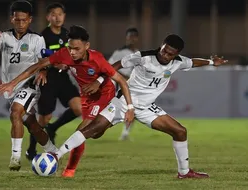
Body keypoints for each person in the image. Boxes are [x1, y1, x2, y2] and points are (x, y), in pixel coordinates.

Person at [49, 34, 228, 178]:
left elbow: (193, 62)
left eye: (169, 54)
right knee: (93, 131)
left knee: (180, 131)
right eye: (164, 51)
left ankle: (184, 172)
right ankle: (56, 155)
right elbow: (116, 65)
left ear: (176, 54)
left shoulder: (178, 62)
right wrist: (99, 80)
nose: (165, 55)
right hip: (122, 102)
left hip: (147, 107)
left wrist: (212, 62)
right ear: (161, 46)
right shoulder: (143, 57)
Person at [0, 25, 135, 177]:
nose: (72, 52)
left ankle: (67, 168)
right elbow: (39, 65)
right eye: (70, 47)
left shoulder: (97, 59)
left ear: (87, 46)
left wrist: (130, 107)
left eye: (77, 49)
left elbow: (121, 81)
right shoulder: (65, 54)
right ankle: (103, 126)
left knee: (82, 132)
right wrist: (12, 83)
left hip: (103, 95)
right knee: (94, 133)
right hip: (86, 97)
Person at [0, 0, 57, 171]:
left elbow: (43, 61)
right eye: (17, 20)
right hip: (10, 89)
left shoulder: (36, 39)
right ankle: (53, 151)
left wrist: (43, 71)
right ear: (12, 19)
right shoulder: (3, 37)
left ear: (30, 19)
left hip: (29, 85)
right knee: (31, 125)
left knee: (15, 112)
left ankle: (15, 158)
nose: (21, 23)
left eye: (24, 20)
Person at [25, 2, 83, 160]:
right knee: (43, 119)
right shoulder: (42, 37)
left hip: (63, 80)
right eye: (53, 14)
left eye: (60, 14)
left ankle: (54, 128)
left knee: (79, 108)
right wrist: (47, 67)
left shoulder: (67, 35)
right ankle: (31, 149)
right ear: (48, 17)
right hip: (48, 81)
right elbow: (39, 58)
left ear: (64, 16)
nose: (57, 17)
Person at [108, 27, 139, 141]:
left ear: (137, 38)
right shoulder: (119, 52)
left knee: (133, 109)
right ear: (126, 38)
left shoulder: (137, 53)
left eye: (134, 37)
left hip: (131, 86)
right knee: (112, 110)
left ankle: (125, 134)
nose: (132, 39)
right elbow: (109, 68)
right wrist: (123, 77)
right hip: (118, 85)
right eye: (130, 36)